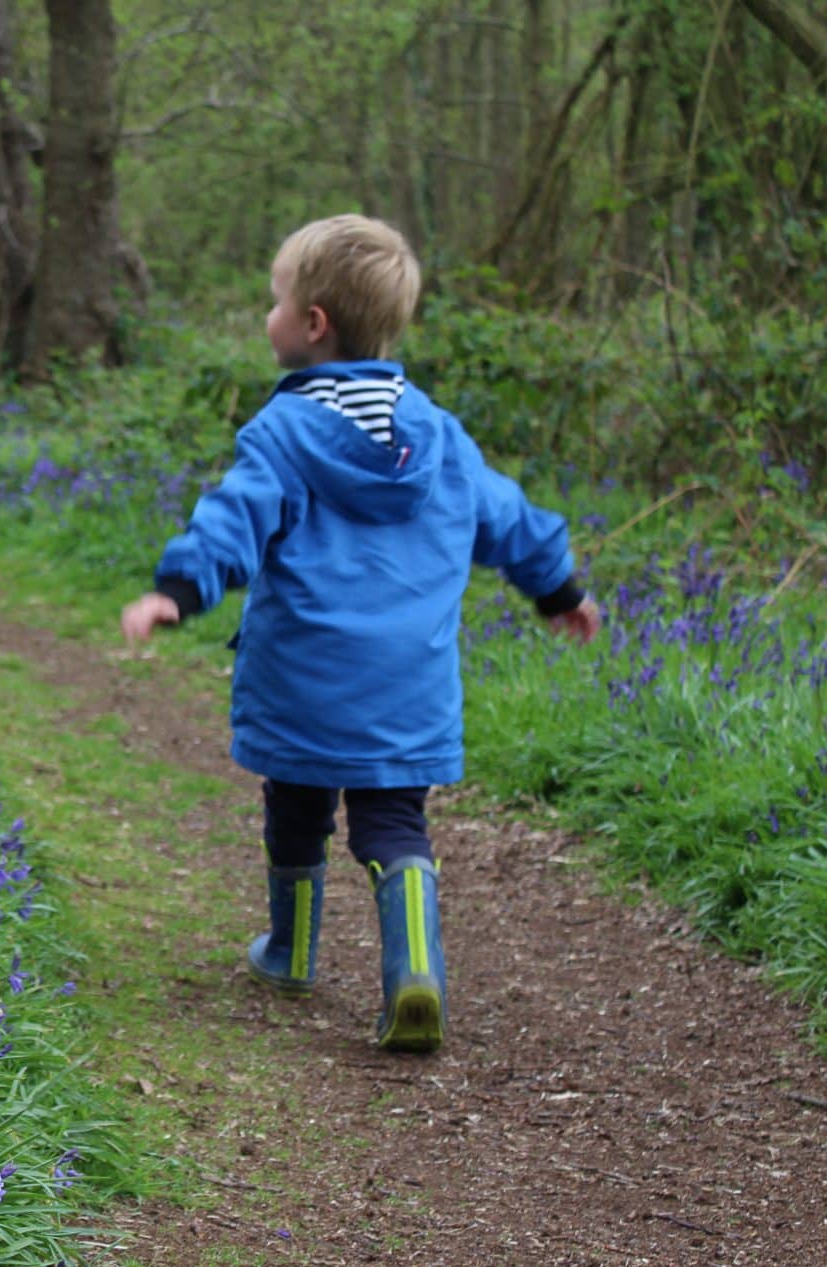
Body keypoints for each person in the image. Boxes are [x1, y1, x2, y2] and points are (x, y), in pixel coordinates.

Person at [120, 215, 601, 1053]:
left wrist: (177, 590)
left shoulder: (283, 436)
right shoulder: (441, 439)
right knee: (394, 827)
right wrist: (557, 590)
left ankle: (291, 950)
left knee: (296, 812)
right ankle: (415, 966)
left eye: (276, 301)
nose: (266, 316)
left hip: (304, 683)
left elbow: (232, 522)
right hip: (406, 690)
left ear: (313, 325)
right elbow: (510, 520)